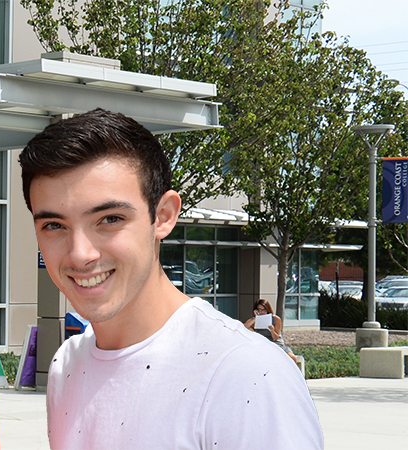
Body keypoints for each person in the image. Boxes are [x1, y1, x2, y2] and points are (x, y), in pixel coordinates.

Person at [20, 109, 322, 449]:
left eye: (109, 219)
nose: (80, 253)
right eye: (54, 226)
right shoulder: (68, 365)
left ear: (163, 216)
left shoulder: (244, 372)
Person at [244, 298, 302, 364]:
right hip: (263, 344)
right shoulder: (254, 320)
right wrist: (256, 318)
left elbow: (276, 337)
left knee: (292, 358)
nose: (262, 312)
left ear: (268, 309)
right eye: (259, 310)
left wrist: (272, 330)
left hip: (276, 343)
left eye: (264, 310)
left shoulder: (275, 319)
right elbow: (244, 327)